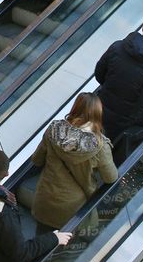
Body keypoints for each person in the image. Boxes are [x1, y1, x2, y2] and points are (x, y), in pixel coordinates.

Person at [31, 93, 117, 231]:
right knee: (64, 246)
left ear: (75, 108)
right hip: (73, 209)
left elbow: (37, 160)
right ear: (98, 113)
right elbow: (111, 177)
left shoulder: (54, 129)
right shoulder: (100, 145)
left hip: (45, 198)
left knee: (41, 240)